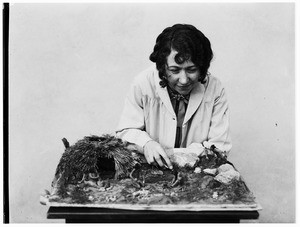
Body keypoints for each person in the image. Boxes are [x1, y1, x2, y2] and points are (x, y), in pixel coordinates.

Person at [116, 24, 232, 170]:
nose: (183, 80)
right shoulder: (143, 84)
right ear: (162, 67)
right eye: (174, 70)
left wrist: (177, 156)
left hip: (197, 171)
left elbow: (219, 146)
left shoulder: (215, 89)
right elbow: (126, 131)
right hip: (151, 169)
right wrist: (146, 144)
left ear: (202, 68)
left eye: (192, 70)